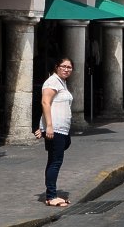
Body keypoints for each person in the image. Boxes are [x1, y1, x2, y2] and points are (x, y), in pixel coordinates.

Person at [35, 57, 74, 207]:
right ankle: (51, 196)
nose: (66, 69)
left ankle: (51, 194)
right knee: (55, 161)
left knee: (55, 159)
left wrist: (42, 126)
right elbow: (45, 102)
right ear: (57, 67)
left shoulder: (61, 82)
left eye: (69, 67)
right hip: (55, 128)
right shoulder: (52, 81)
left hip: (62, 129)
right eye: (63, 66)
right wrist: (48, 126)